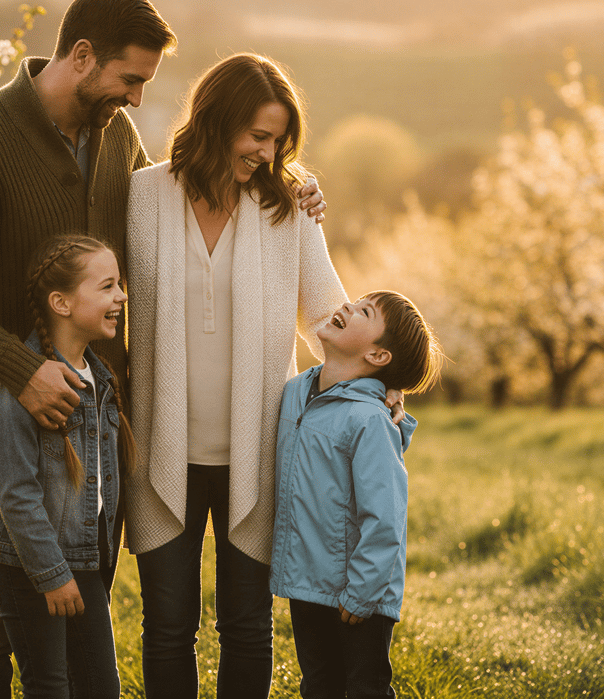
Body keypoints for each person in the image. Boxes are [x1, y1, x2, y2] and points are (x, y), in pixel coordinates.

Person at [0, 0, 324, 698]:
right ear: (80, 56)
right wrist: (20, 372)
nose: (136, 99)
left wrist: (294, 186)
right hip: (2, 417)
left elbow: (178, 217)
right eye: (130, 79)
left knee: (82, 600)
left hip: (96, 423)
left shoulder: (114, 141)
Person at [125, 53, 400, 699]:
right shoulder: (141, 196)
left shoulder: (286, 209)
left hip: (258, 451)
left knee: (245, 626)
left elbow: (330, 317)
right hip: (162, 448)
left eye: (278, 141)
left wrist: (381, 382)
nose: (268, 152)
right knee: (167, 626)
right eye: (258, 136)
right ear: (218, 121)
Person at [269, 291, 443, 699]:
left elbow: (385, 518)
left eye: (364, 311)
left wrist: (362, 591)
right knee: (318, 686)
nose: (346, 305)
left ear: (379, 357)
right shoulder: (296, 391)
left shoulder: (369, 421)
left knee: (365, 688)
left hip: (358, 592)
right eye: (357, 300)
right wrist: (390, 387)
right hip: (307, 582)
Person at [0, 236, 131, 699]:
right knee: (50, 686)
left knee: (100, 687)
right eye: (107, 287)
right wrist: (52, 574)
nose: (122, 297)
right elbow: (16, 495)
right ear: (61, 303)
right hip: (30, 566)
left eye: (120, 284)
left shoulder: (100, 379)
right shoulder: (22, 388)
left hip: (83, 559)